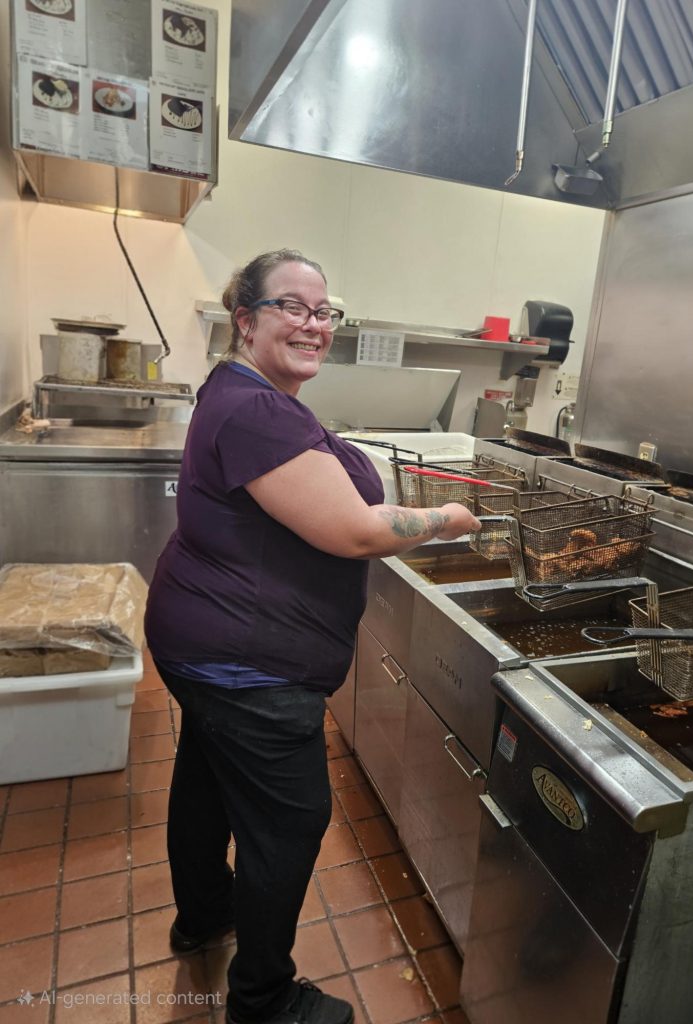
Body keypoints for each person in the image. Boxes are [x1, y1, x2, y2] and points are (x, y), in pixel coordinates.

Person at [144, 248, 481, 1024]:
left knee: (205, 782)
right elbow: (355, 532)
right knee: (289, 822)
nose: (313, 324)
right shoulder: (258, 409)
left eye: (324, 311)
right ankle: (261, 1000)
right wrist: (447, 520)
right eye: (292, 307)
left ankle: (203, 915)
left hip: (206, 640)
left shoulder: (244, 391)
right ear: (247, 319)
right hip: (247, 663)